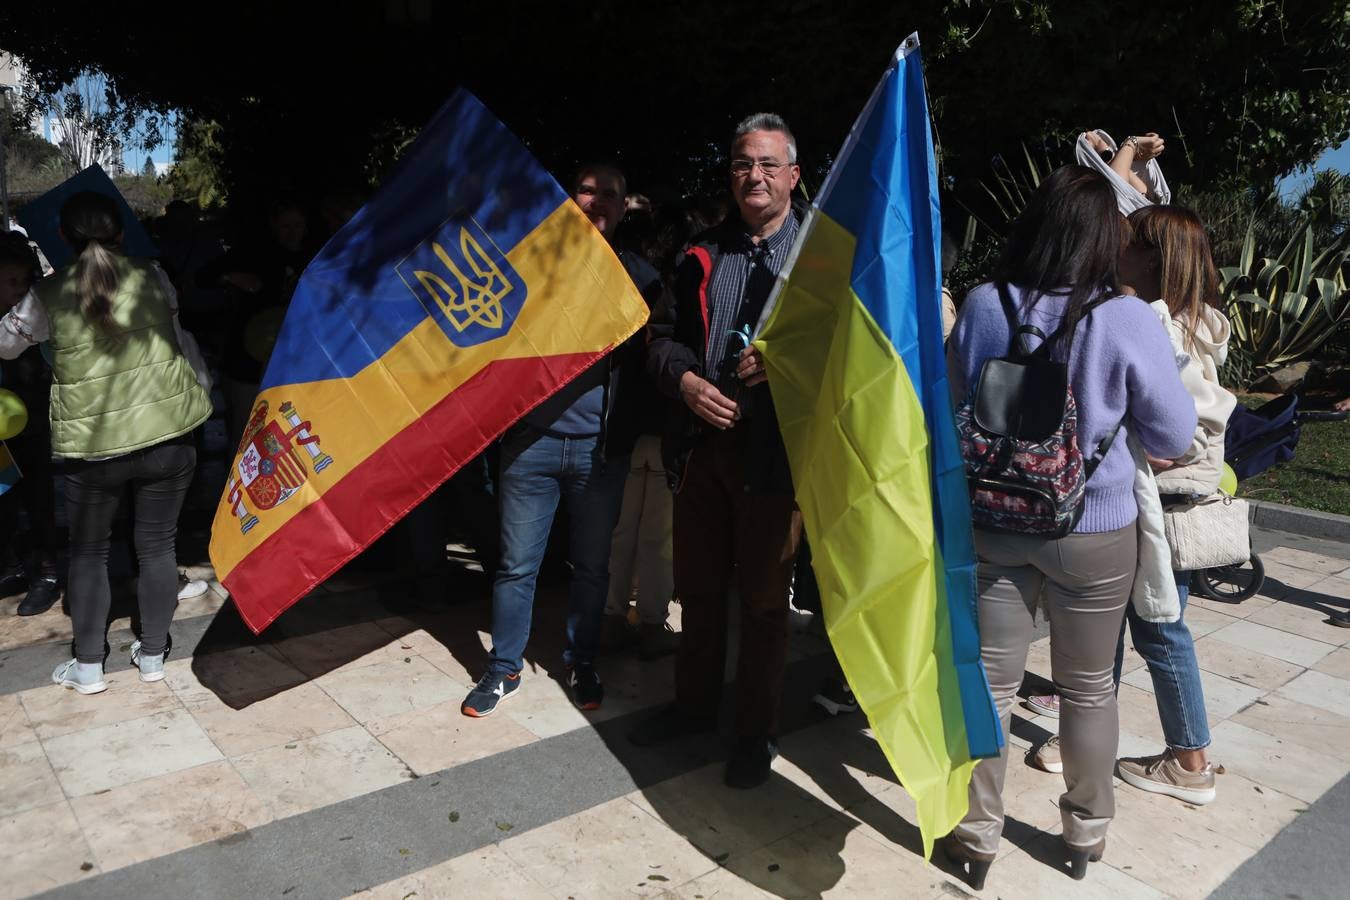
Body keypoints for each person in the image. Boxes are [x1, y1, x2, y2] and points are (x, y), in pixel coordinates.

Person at [943, 166, 1196, 886]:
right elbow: (1174, 432)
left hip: (994, 519)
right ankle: (1085, 835)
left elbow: (957, 399)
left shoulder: (986, 304)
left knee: (990, 684)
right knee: (1088, 687)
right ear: (1106, 238)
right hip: (1094, 527)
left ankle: (976, 834)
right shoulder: (1124, 318)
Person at [630, 113, 804, 790]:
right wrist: (686, 381)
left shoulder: (822, 265)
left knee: (764, 604)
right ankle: (692, 707)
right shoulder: (701, 252)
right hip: (702, 452)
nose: (752, 176)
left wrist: (788, 366)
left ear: (792, 174)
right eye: (740, 164)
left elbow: (858, 359)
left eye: (766, 164)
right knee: (698, 592)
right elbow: (661, 339)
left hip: (778, 461)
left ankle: (755, 733)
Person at [1033, 206, 1228, 805]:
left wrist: (1156, 448)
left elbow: (1194, 423)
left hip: (1159, 505)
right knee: (1120, 624)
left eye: (1128, 240)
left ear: (1152, 256)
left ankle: (1190, 760)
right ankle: (1088, 739)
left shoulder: (1155, 324)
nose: (1114, 247)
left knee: (1159, 629)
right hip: (1163, 502)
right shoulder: (1194, 323)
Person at [460, 163, 661, 717]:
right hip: (531, 444)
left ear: (625, 208)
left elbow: (652, 365)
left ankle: (582, 661)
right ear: (569, 200)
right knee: (515, 565)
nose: (597, 202)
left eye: (610, 194)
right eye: (587, 190)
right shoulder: (529, 269)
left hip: (600, 449)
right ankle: (503, 669)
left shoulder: (642, 281)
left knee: (594, 567)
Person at [1, 191, 213, 694]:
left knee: (88, 552)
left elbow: (6, 345)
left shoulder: (46, 296)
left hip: (92, 448)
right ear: (122, 233)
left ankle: (90, 667)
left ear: (61, 240)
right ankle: (154, 657)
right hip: (168, 433)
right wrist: (201, 388)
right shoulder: (154, 274)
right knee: (158, 546)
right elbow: (180, 338)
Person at [0, 230, 60, 615]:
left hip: (32, 427)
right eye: (9, 282)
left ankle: (49, 574)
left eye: (23, 281)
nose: (18, 290)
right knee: (4, 502)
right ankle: (12, 567)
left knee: (39, 499)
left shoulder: (31, 325)